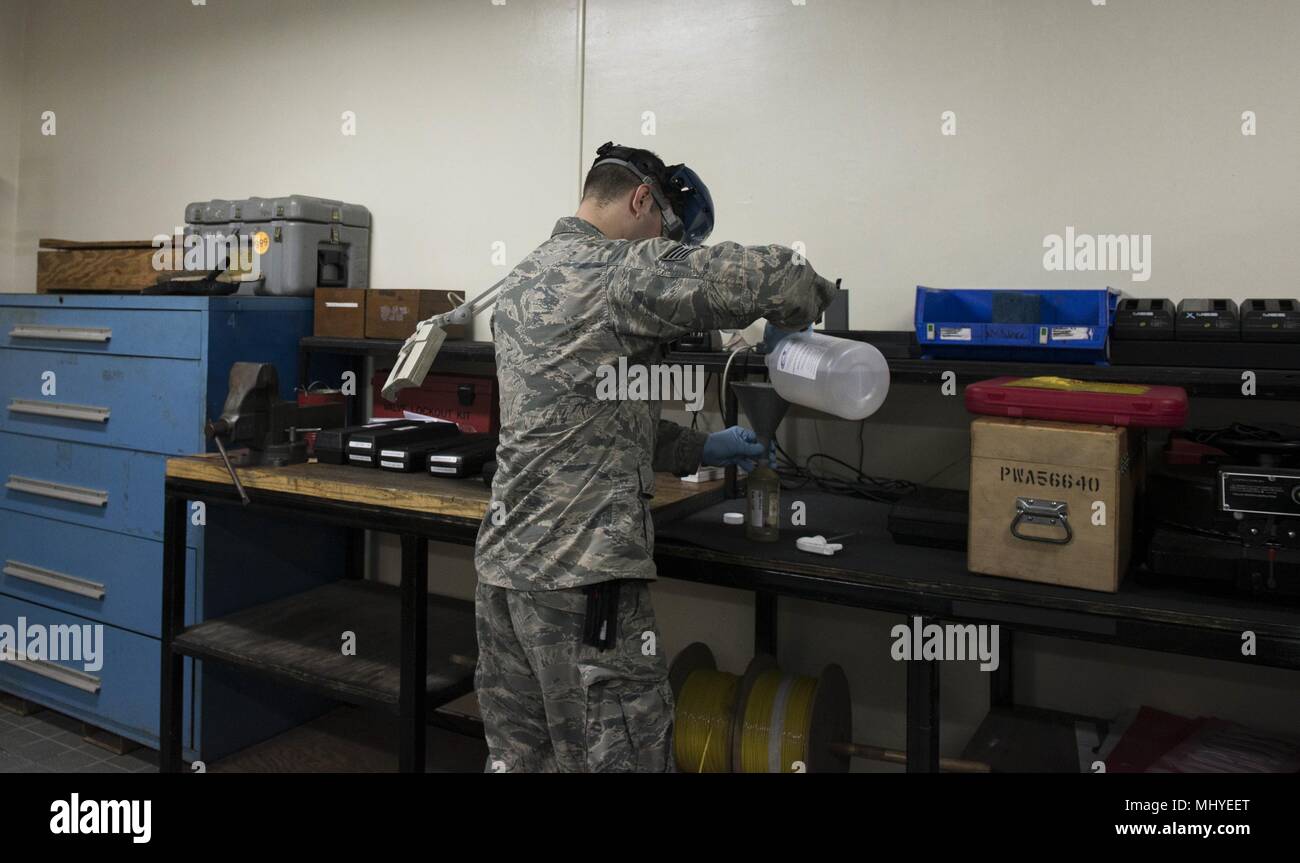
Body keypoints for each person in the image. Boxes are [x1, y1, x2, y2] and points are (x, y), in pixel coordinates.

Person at [474, 141, 838, 772]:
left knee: (521, 758)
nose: (663, 247)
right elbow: (775, 274)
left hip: (505, 574)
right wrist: (810, 304)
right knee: (624, 757)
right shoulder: (615, 270)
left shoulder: (524, 279)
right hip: (583, 582)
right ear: (641, 199)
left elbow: (578, 416)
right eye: (665, 232)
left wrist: (702, 446)